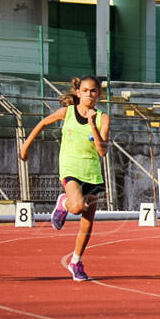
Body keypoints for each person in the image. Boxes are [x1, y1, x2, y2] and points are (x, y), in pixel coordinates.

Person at [19, 76, 109, 281]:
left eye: (93, 91)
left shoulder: (102, 118)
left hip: (92, 173)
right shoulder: (66, 113)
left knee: (87, 224)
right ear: (78, 93)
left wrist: (92, 124)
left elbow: (102, 151)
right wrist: (25, 147)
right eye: (85, 90)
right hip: (70, 169)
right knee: (77, 207)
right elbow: (42, 123)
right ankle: (64, 203)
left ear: (99, 94)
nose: (89, 95)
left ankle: (76, 261)